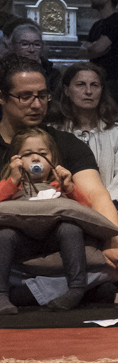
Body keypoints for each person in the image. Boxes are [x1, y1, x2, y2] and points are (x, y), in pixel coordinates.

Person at [0, 54, 118, 279]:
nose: (37, 105)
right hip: (8, 240)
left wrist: (114, 235)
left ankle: (28, 284)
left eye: (42, 95)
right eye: (25, 97)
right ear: (2, 98)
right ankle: (74, 281)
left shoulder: (65, 142)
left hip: (62, 241)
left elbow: (95, 193)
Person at [0, 129, 91, 312]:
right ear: (16, 160)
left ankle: (77, 288)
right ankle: (1, 294)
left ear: (53, 160)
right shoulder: (9, 185)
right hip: (22, 242)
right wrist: (12, 181)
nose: (35, 159)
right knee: (5, 235)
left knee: (70, 228)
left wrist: (70, 189)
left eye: (42, 154)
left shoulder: (60, 186)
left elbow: (86, 212)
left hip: (54, 241)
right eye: (27, 154)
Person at [51, 61, 118, 204]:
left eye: (94, 85)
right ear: (66, 90)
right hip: (64, 208)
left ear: (101, 90)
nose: (88, 91)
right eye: (80, 84)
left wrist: (99, 207)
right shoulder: (54, 131)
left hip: (108, 207)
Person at [82, 0, 118, 116]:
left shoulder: (117, 22)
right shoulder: (96, 25)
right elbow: (82, 50)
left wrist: (93, 48)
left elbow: (97, 49)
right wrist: (94, 48)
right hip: (96, 81)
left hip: (113, 82)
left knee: (116, 121)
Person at [8, 23, 59, 95]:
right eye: (25, 44)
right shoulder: (3, 72)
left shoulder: (53, 74)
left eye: (37, 44)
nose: (31, 50)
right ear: (13, 46)